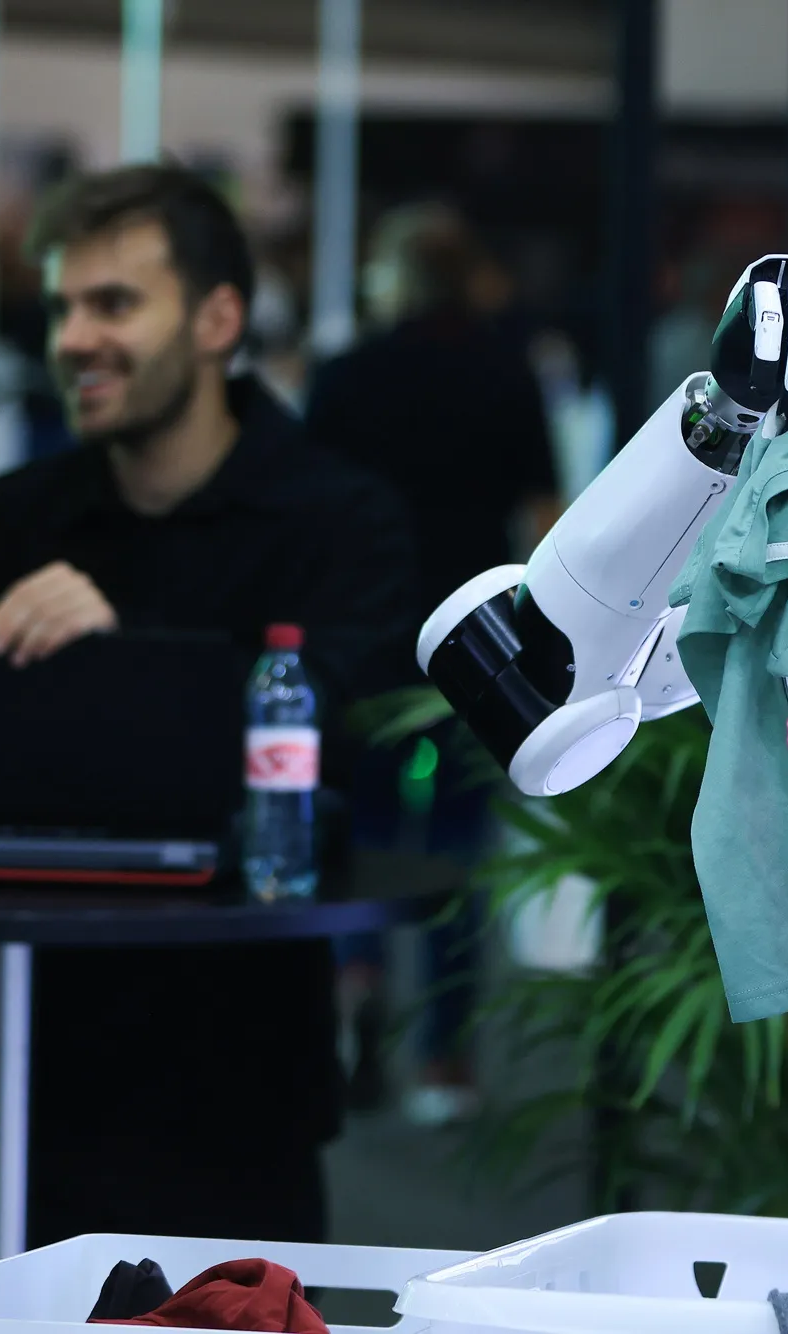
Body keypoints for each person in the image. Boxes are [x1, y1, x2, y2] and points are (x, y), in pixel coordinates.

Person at [0, 162, 419, 1255]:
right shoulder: (5, 523)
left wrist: (120, 653)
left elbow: (336, 749)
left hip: (236, 1080)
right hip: (20, 1059)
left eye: (114, 304)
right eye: (61, 309)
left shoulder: (341, 522)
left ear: (218, 320)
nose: (73, 339)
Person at [305, 203, 561, 1124]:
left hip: (366, 638)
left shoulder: (345, 375)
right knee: (456, 844)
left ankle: (355, 989)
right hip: (475, 644)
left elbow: (311, 511)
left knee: (363, 834)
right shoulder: (504, 372)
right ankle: (444, 1057)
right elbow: (545, 516)